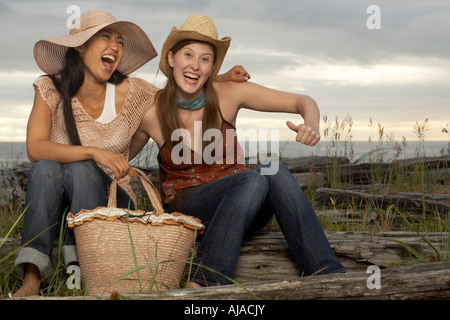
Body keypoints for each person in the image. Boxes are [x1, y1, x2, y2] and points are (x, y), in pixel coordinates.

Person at [14, 10, 247, 297]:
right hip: (61, 206)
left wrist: (218, 77)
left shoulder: (135, 92)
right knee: (45, 168)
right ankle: (32, 278)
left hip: (112, 199)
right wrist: (94, 152)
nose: (115, 45)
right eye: (105, 36)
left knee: (80, 169)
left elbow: (182, 86)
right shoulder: (50, 87)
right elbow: (35, 148)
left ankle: (81, 273)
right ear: (81, 45)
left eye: (120, 41)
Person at [130, 14, 345, 287]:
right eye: (188, 55)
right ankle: (206, 282)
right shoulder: (152, 112)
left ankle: (326, 275)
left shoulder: (229, 94)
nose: (195, 66)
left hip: (244, 203)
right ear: (171, 58)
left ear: (211, 67)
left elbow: (303, 100)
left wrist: (311, 123)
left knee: (274, 170)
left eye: (205, 59)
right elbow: (118, 158)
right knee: (252, 178)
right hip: (190, 210)